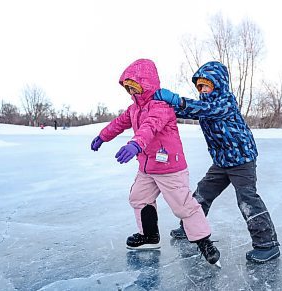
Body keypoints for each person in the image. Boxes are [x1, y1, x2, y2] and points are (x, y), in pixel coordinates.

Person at [90, 58, 220, 266]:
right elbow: (118, 123)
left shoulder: (161, 106)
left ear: (147, 84)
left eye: (135, 88)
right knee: (138, 197)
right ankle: (149, 236)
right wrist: (103, 136)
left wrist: (135, 144)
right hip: (148, 167)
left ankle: (204, 242)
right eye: (128, 89)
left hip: (169, 167)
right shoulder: (134, 109)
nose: (132, 93)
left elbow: (150, 127)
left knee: (183, 207)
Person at [154, 61, 280, 263]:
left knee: (247, 199)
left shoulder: (225, 102)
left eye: (206, 85)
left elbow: (205, 109)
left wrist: (178, 100)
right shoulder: (203, 105)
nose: (202, 90)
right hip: (222, 161)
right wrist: (161, 105)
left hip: (242, 160)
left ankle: (268, 244)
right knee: (202, 193)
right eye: (200, 87)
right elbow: (189, 110)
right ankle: (189, 228)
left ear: (218, 85)